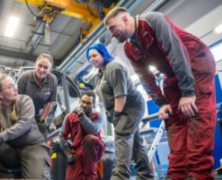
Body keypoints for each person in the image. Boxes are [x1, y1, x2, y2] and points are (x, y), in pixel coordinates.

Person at [104, 7, 216, 180]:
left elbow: (176, 50)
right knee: (173, 121)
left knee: (196, 115)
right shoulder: (129, 48)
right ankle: (176, 174)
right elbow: (145, 77)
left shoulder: (152, 20)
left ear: (126, 19)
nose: (111, 34)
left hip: (195, 63)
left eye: (112, 28)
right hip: (172, 74)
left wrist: (188, 91)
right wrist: (162, 102)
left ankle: (197, 174)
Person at [86, 43, 154, 179]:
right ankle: (146, 175)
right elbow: (105, 96)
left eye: (94, 55)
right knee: (135, 144)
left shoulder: (113, 68)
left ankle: (120, 176)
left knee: (121, 139)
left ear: (103, 54)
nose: (92, 59)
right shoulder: (101, 71)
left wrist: (116, 116)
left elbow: (120, 95)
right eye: (89, 57)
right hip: (120, 110)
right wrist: (109, 113)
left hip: (130, 108)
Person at [0, 75, 50, 179]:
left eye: (14, 84)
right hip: (12, 152)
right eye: (10, 86)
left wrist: (1, 137)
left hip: (33, 147)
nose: (15, 88)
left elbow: (24, 123)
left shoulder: (25, 100)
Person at [59, 90, 106, 180]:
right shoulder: (70, 117)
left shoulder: (98, 116)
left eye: (88, 103)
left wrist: (81, 115)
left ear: (94, 105)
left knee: (90, 139)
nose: (84, 105)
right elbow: (62, 136)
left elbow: (93, 130)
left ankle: (89, 175)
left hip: (94, 151)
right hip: (77, 152)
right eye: (83, 102)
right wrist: (68, 153)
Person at [17, 53, 57, 137]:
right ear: (35, 64)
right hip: (23, 115)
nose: (42, 69)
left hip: (39, 117)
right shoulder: (25, 77)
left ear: (50, 69)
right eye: (40, 65)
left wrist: (42, 120)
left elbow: (50, 102)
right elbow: (16, 99)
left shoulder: (52, 80)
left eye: (45, 67)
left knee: (43, 140)